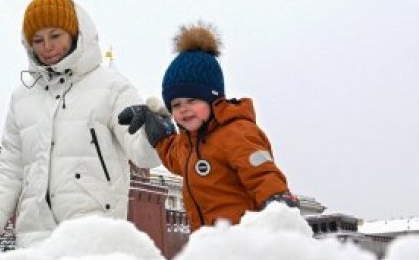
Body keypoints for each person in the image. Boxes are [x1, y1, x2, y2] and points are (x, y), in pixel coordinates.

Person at [0, 0, 161, 258]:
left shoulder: (111, 87)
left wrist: (157, 134)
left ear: (75, 33)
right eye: (37, 40)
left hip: (94, 231)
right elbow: (11, 170)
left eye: (55, 36)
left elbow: (143, 155)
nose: (47, 46)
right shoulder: (22, 97)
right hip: (34, 237)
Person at [118, 22, 297, 232]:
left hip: (246, 241)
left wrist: (277, 199)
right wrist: (159, 130)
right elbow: (172, 154)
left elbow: (262, 172)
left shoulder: (237, 133)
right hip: (209, 245)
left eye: (192, 101)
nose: (184, 109)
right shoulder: (188, 144)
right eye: (176, 105)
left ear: (213, 99)